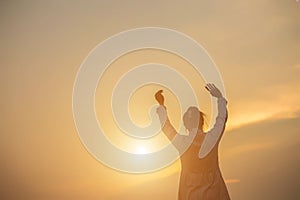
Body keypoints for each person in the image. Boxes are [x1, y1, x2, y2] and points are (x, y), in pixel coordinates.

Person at [155, 83, 231, 200]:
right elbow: (221, 118)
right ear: (202, 121)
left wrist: (161, 105)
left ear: (185, 124)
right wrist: (220, 99)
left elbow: (166, 127)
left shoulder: (182, 142)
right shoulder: (212, 138)